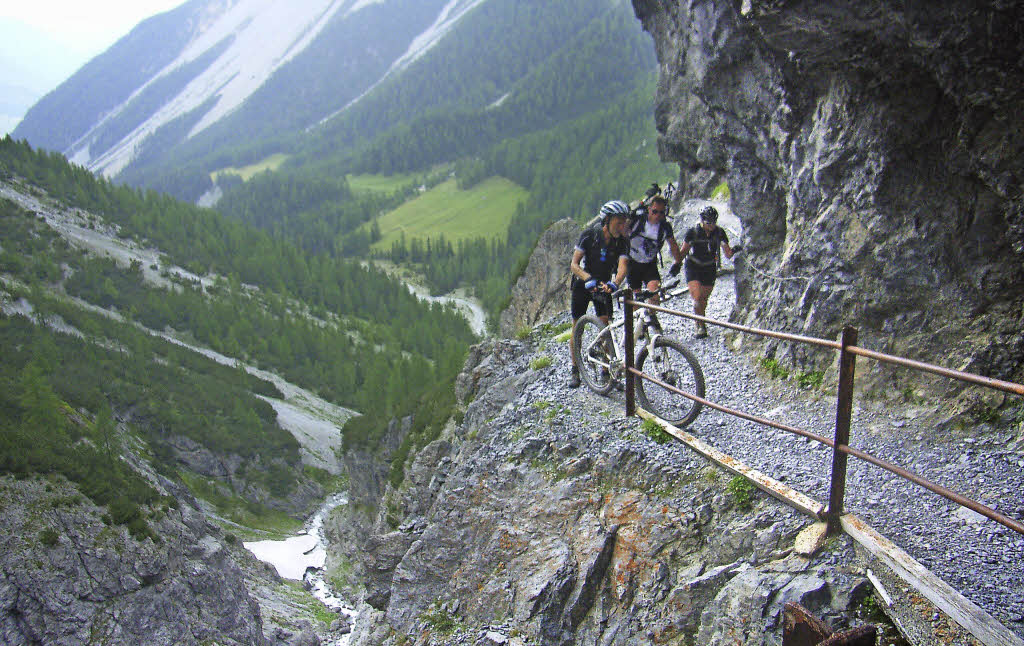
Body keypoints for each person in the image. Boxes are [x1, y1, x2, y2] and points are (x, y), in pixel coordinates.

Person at [567, 200, 631, 388]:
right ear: (607, 220)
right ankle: (574, 368)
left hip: (603, 285)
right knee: (577, 327)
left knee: (605, 327)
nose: (622, 226)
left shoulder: (622, 241)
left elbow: (623, 266)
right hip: (583, 284)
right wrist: (587, 279)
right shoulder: (589, 235)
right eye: (618, 222)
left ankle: (606, 370)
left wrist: (615, 283)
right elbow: (574, 265)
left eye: (624, 222)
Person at [678, 205, 741, 338]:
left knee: (704, 300)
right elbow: (683, 252)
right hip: (693, 267)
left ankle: (701, 319)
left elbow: (727, 253)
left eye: (714, 222)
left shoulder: (719, 232)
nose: (711, 225)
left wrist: (735, 249)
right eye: (708, 222)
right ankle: (700, 326)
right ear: (702, 221)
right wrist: (676, 264)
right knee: (697, 298)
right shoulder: (693, 232)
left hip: (709, 267)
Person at [625, 195, 684, 328]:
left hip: (649, 264)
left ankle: (651, 316)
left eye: (661, 212)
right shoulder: (638, 220)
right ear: (649, 209)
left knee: (655, 295)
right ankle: (639, 325)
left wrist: (678, 263)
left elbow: (673, 245)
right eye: (655, 211)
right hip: (632, 263)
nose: (658, 215)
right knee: (636, 298)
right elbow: (622, 233)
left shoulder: (665, 227)